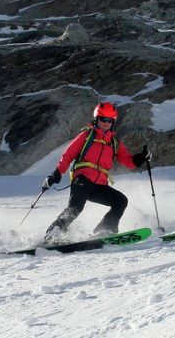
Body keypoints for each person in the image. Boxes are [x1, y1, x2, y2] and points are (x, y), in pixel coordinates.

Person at [41, 102, 151, 241]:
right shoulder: (86, 136)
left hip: (99, 185)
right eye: (103, 119)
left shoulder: (114, 143)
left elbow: (128, 161)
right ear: (97, 119)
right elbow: (68, 155)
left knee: (120, 201)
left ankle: (104, 231)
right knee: (75, 208)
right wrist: (57, 173)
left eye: (109, 120)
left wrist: (141, 157)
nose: (106, 123)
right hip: (82, 180)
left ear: (113, 122)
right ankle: (53, 233)